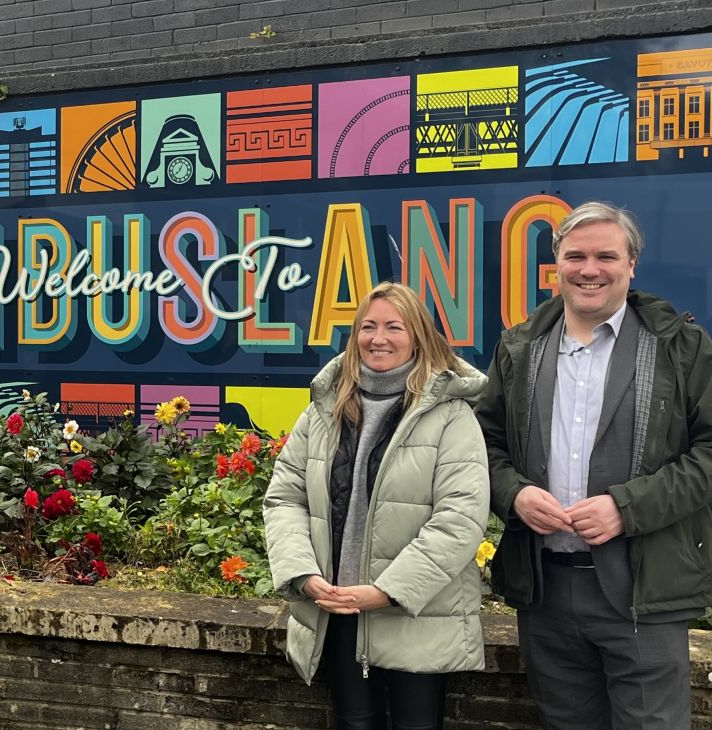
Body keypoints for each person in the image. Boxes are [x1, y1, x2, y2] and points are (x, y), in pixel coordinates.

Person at [476, 201, 712, 729]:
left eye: (606, 255)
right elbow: (482, 444)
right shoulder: (519, 348)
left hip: (642, 590)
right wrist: (513, 492)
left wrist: (626, 509)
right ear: (556, 263)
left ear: (632, 265)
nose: (590, 269)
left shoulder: (681, 347)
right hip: (546, 590)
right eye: (575, 255)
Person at [264, 282, 489, 729]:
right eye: (367, 327)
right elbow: (284, 497)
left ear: (418, 336)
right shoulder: (324, 410)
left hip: (416, 613)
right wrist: (303, 575)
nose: (378, 338)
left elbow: (459, 519)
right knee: (354, 724)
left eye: (393, 327)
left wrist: (388, 592)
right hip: (339, 610)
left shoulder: (451, 415)